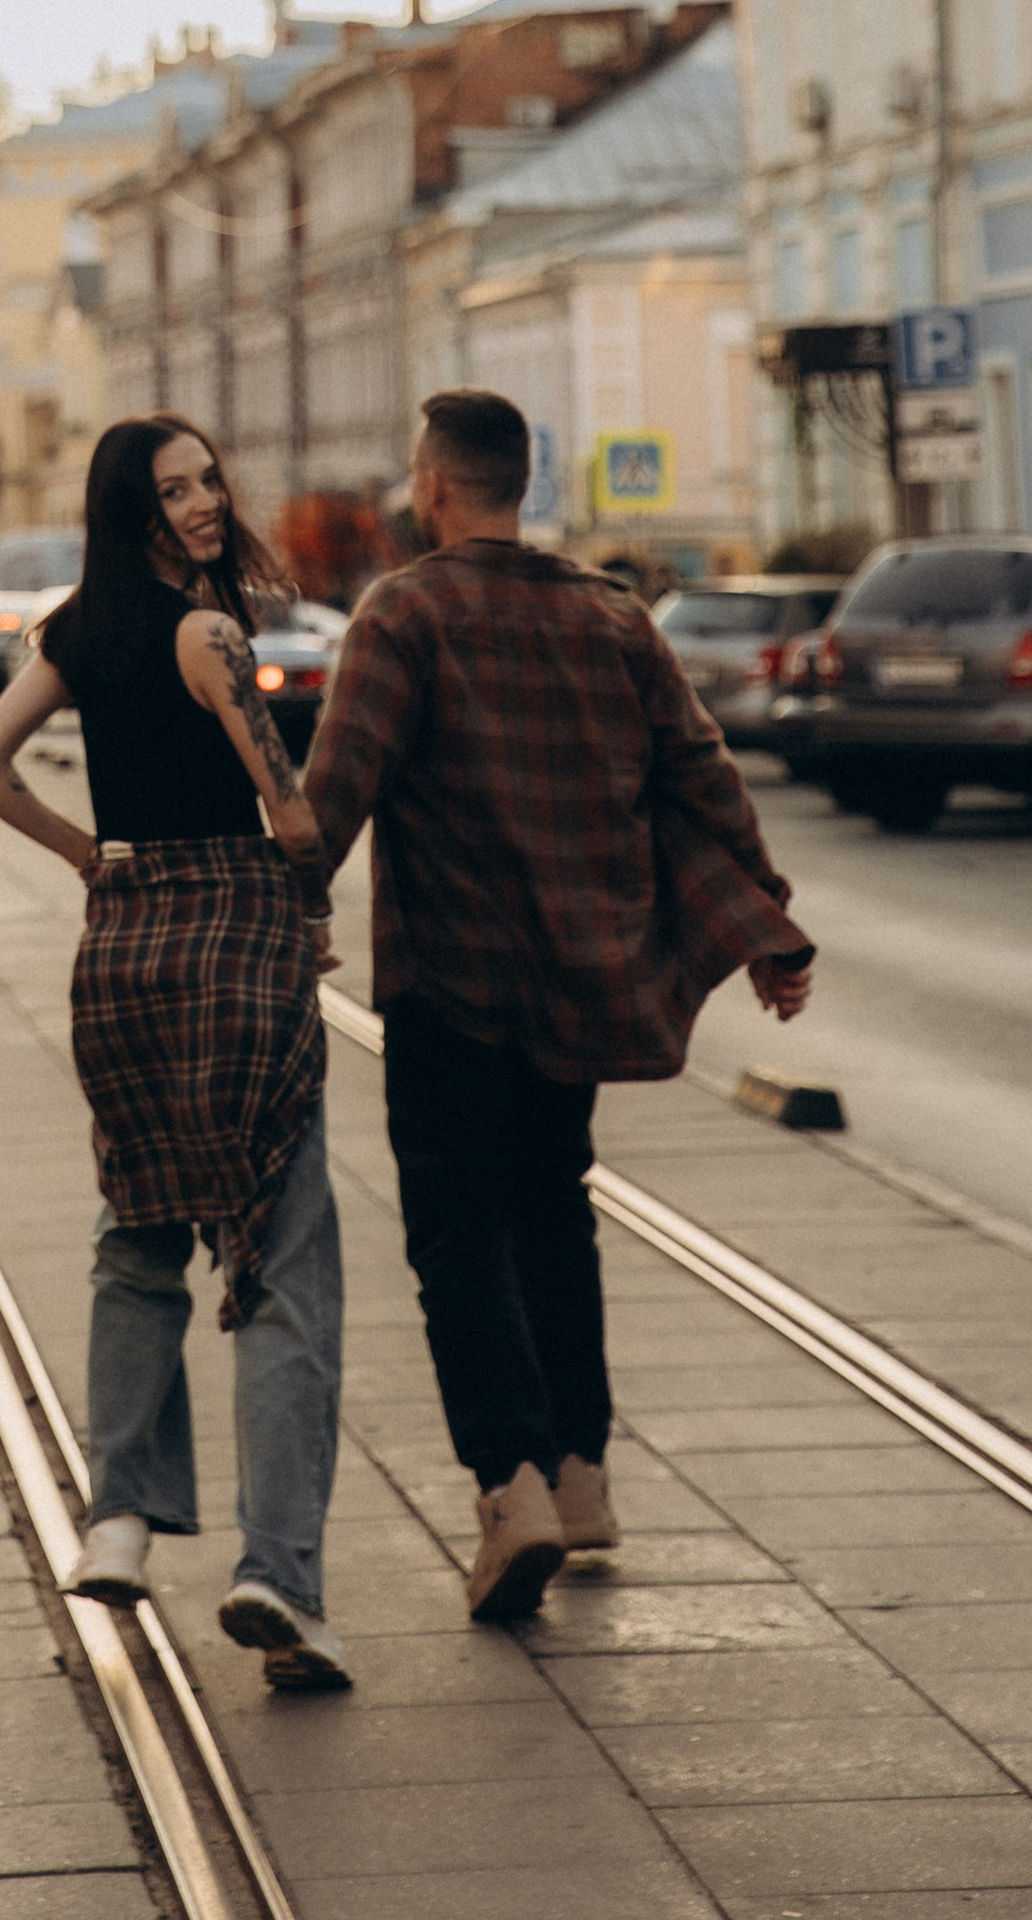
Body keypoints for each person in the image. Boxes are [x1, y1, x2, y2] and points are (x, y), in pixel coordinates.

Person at [304, 388, 814, 1627]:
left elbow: (334, 796)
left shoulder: (403, 611)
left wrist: (271, 914)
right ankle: (581, 1477)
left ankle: (509, 1489)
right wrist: (767, 920)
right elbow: (702, 776)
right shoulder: (612, 618)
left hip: (450, 982)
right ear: (522, 487)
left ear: (431, 486)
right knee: (552, 1209)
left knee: (455, 1236)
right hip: (580, 980)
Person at [0, 414, 350, 1691]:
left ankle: (119, 1517)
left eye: (208, 481)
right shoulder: (212, 636)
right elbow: (286, 810)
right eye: (174, 491)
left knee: (136, 1241)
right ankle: (276, 1576)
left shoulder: (73, 631)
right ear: (138, 514)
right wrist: (313, 900)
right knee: (281, 1262)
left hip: (120, 954)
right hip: (233, 942)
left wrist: (87, 857)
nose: (203, 505)